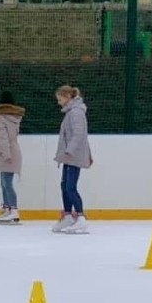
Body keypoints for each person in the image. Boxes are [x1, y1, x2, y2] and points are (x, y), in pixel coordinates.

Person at [52, 85, 92, 234]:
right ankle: (68, 215)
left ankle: (81, 218)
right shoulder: (70, 113)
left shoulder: (76, 113)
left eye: (60, 99)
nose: (59, 102)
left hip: (74, 156)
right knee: (64, 185)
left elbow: (79, 134)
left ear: (68, 98)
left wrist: (70, 151)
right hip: (69, 156)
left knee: (70, 187)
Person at [0, 91, 25, 224]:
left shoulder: (0, 117)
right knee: (5, 182)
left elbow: (2, 137)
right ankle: (8, 209)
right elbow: (8, 135)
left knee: (6, 183)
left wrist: (6, 154)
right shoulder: (15, 117)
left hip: (6, 152)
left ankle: (13, 210)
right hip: (13, 150)